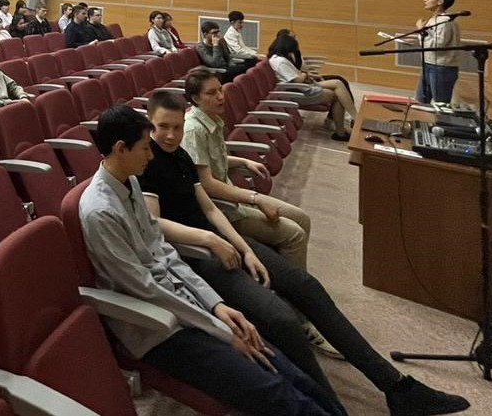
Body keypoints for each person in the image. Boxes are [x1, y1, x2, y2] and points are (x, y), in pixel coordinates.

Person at [140, 91, 472, 416]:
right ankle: (330, 408)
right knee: (282, 320)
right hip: (196, 256)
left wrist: (245, 249)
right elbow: (155, 224)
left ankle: (396, 386)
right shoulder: (145, 162)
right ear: (149, 124)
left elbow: (210, 210)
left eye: (176, 127)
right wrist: (212, 241)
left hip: (223, 239)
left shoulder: (180, 156)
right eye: (162, 127)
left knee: (306, 286)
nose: (170, 135)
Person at [81, 105, 344, 416]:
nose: (151, 156)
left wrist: (216, 305)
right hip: (158, 326)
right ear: (120, 149)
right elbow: (145, 289)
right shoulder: (100, 211)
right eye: (144, 148)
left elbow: (165, 252)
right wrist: (220, 329)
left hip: (185, 304)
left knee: (284, 366)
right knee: (275, 388)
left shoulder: (130, 181)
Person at [182, 67, 312, 269]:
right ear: (195, 99)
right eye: (211, 93)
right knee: (295, 234)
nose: (220, 96)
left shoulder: (211, 118)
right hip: (222, 209)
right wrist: (255, 198)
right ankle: (296, 284)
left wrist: (243, 162)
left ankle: (287, 270)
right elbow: (206, 184)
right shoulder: (194, 130)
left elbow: (213, 159)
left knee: (302, 218)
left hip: (234, 194)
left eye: (220, 89)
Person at [266, 34, 357, 141]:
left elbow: (296, 76)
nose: (292, 53)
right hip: (298, 91)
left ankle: (354, 119)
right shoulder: (280, 62)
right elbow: (297, 80)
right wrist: (304, 74)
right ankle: (341, 131)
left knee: (338, 83)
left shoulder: (277, 59)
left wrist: (304, 75)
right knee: (337, 96)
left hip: (302, 86)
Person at [410, 0, 463, 105]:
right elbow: (428, 39)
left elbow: (436, 45)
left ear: (440, 2)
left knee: (441, 104)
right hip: (427, 64)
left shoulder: (445, 21)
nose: (425, 0)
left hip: (441, 68)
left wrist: (420, 29)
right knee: (421, 101)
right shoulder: (432, 20)